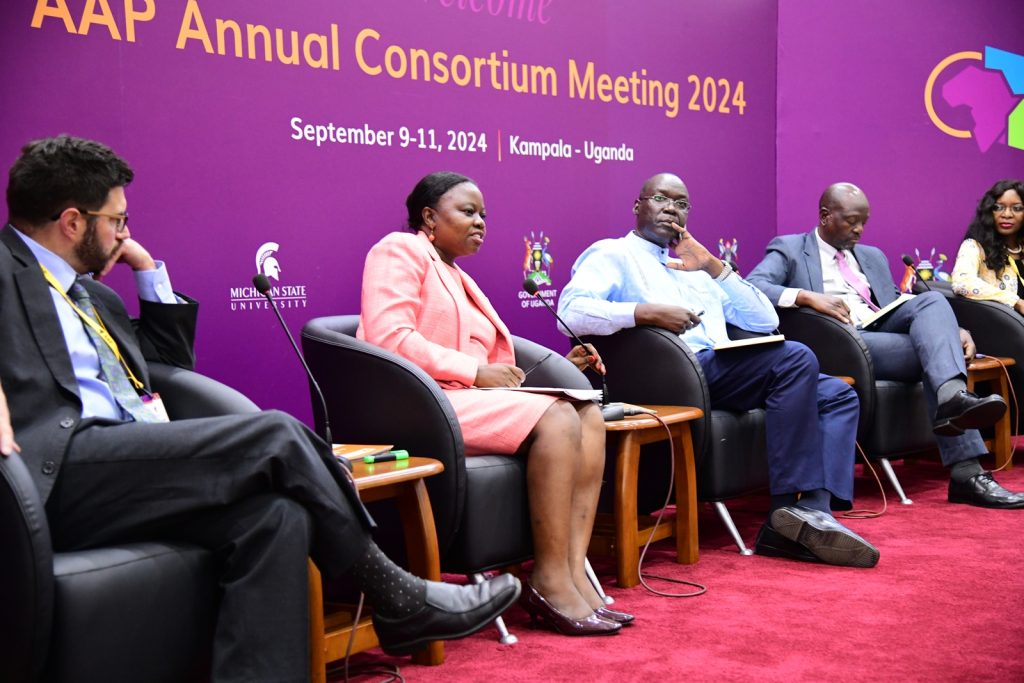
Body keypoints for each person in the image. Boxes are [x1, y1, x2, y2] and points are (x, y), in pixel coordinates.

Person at [0, 135, 521, 682]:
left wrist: (148, 271)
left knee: (276, 517)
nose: (124, 233)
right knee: (275, 434)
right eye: (117, 220)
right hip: (54, 472)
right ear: (72, 222)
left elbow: (170, 368)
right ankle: (397, 595)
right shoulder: (7, 272)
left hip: (133, 464)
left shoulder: (95, 294)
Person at [557, 172, 878, 568]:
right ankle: (786, 516)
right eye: (661, 198)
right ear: (637, 206)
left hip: (719, 367)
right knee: (795, 358)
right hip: (671, 374)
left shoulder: (696, 262)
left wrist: (713, 267)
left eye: (682, 203)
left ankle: (813, 511)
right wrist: (644, 312)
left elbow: (763, 320)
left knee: (836, 394)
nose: (672, 208)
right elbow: (571, 312)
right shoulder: (612, 254)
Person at [358, 171, 628, 636]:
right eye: (467, 211)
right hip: (422, 402)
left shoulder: (459, 276)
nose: (480, 222)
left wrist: (559, 367)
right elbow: (389, 338)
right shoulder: (398, 250)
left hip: (468, 399)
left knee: (588, 415)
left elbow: (493, 364)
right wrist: (473, 371)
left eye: (484, 214)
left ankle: (572, 571)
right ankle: (548, 580)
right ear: (428, 217)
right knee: (559, 414)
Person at [747, 182, 1024, 510]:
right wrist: (807, 296)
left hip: (881, 328)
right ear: (825, 216)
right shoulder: (791, 248)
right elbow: (754, 286)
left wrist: (953, 329)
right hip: (841, 341)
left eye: (864, 221)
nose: (859, 229)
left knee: (932, 299)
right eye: (851, 221)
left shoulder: (871, 256)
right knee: (937, 356)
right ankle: (967, 472)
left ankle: (952, 400)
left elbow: (898, 304)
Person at [951, 179, 1024, 314]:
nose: (1007, 214)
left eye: (1017, 208)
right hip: (1003, 329)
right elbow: (962, 283)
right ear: (989, 211)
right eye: (998, 207)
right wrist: (1016, 302)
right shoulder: (974, 246)